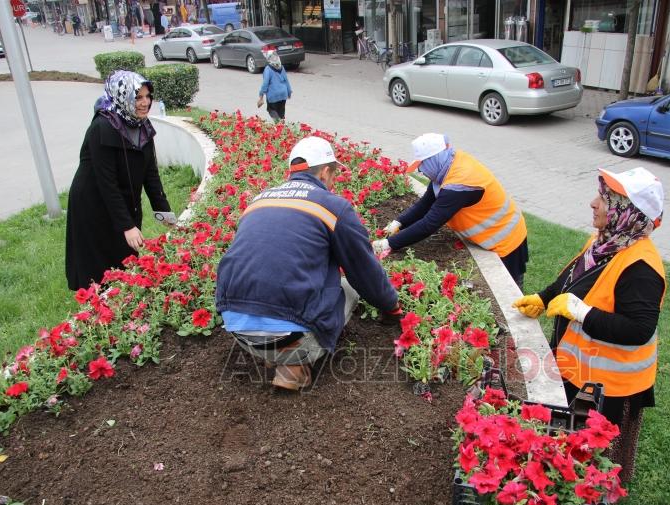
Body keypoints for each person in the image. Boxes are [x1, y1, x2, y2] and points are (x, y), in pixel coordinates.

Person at [513, 167, 666, 483]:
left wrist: (581, 312)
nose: (593, 203)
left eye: (604, 200)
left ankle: (595, 487)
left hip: (611, 385)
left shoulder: (641, 268)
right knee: (569, 437)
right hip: (582, 370)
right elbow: (572, 278)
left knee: (596, 454)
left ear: (627, 213)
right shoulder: (606, 242)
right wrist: (544, 297)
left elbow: (639, 329)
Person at [215, 136, 401, 390]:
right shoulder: (333, 206)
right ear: (324, 172)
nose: (333, 182)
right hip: (288, 336)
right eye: (334, 174)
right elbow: (364, 270)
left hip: (237, 329)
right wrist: (392, 307)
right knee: (349, 288)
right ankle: (292, 366)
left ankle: (272, 353)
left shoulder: (259, 200)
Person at [372, 133, 528, 287]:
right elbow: (425, 203)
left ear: (433, 159)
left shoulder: (459, 184)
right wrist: (398, 222)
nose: (420, 170)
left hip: (506, 239)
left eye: (422, 164)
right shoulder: (447, 166)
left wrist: (388, 244)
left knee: (511, 288)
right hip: (499, 232)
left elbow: (429, 224)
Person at [65, 71, 173, 291]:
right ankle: (99, 303)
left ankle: (121, 298)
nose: (145, 103)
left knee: (125, 257)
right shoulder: (102, 127)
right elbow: (107, 182)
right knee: (99, 265)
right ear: (123, 97)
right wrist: (127, 226)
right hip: (93, 202)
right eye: (138, 97)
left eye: (148, 96)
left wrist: (166, 214)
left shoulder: (142, 125)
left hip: (123, 197)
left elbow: (150, 174)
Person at [257, 51, 292, 123]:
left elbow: (265, 84)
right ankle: (281, 124)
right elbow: (286, 81)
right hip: (283, 94)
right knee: (281, 113)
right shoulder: (281, 67)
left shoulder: (268, 69)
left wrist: (261, 95)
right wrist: (289, 92)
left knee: (271, 110)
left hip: (273, 95)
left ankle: (278, 123)